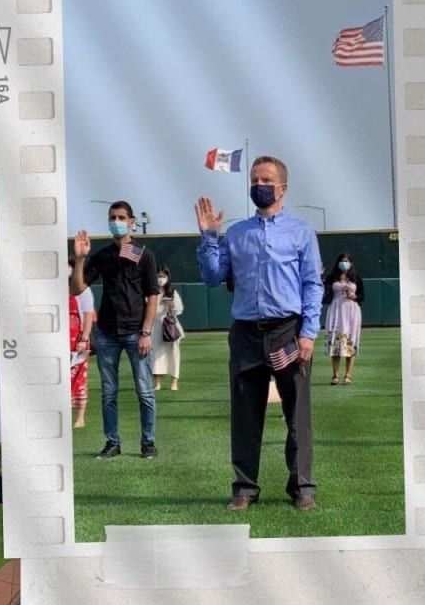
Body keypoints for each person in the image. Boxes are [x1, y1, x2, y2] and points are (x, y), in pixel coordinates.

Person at [195, 155, 323, 511]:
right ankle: (245, 489)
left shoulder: (301, 232)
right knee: (245, 416)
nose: (258, 186)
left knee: (297, 416)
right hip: (247, 336)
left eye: (265, 179)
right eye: (253, 180)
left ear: (282, 188)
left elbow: (313, 285)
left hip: (288, 333)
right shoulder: (237, 233)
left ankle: (302, 487)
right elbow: (211, 276)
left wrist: (308, 333)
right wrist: (208, 236)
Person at [71, 201, 161, 459]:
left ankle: (148, 443)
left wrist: (145, 332)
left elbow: (152, 296)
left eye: (122, 217)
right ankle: (113, 442)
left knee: (144, 391)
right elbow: (77, 288)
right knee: (108, 393)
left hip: (136, 333)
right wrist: (79, 260)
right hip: (107, 333)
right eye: (113, 217)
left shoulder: (144, 255)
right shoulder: (102, 255)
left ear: (132, 221)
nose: (117, 221)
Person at [323, 252, 365, 385]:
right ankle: (335, 375)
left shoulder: (356, 278)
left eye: (347, 261)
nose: (344, 263)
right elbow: (324, 292)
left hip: (352, 311)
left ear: (351, 263)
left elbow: (362, 296)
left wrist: (354, 296)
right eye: (342, 260)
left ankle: (348, 375)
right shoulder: (332, 277)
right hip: (336, 310)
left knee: (350, 343)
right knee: (336, 342)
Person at [68, 254, 97, 429]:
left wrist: (84, 338)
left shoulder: (84, 290)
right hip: (60, 338)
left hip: (77, 338)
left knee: (79, 378)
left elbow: (87, 314)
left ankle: (80, 417)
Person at [151, 266, 185, 391]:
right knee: (156, 354)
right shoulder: (151, 292)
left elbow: (179, 309)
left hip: (170, 326)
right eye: (158, 276)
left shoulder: (172, 292)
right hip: (155, 327)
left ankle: (174, 381)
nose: (160, 279)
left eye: (163, 276)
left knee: (173, 354)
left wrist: (171, 305)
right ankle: (157, 382)